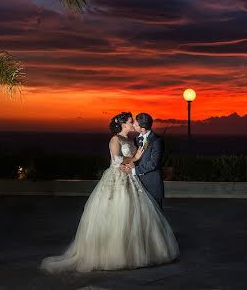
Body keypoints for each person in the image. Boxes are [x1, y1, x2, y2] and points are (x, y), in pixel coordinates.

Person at [40, 112, 179, 273]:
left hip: (131, 178)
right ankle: (113, 253)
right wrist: (135, 158)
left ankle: (133, 250)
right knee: (116, 213)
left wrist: (134, 161)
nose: (132, 123)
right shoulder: (115, 139)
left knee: (133, 214)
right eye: (129, 121)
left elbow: (140, 160)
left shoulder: (131, 140)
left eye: (133, 122)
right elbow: (117, 160)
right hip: (117, 178)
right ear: (122, 125)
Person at [123, 112, 165, 210]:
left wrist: (133, 171)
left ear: (142, 129)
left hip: (151, 184)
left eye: (136, 124)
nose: (133, 125)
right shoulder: (135, 139)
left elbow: (154, 164)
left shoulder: (157, 141)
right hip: (136, 184)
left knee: (155, 216)